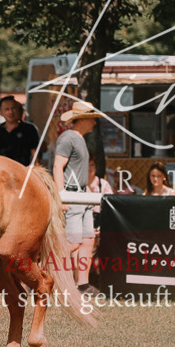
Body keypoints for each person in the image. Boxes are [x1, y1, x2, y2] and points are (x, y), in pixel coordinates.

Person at [54, 100, 105, 294]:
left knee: (87, 239)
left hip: (81, 194)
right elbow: (58, 166)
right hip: (72, 194)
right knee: (73, 241)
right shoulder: (68, 138)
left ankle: (82, 284)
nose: (94, 122)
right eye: (92, 118)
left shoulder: (78, 138)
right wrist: (62, 196)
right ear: (82, 119)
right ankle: (43, 274)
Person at [0, 96, 39, 166]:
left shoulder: (29, 129)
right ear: (0, 112)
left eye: (13, 108)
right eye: (7, 109)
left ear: (18, 110)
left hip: (23, 172)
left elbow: (34, 154)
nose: (10, 112)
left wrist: (35, 168)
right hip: (0, 172)